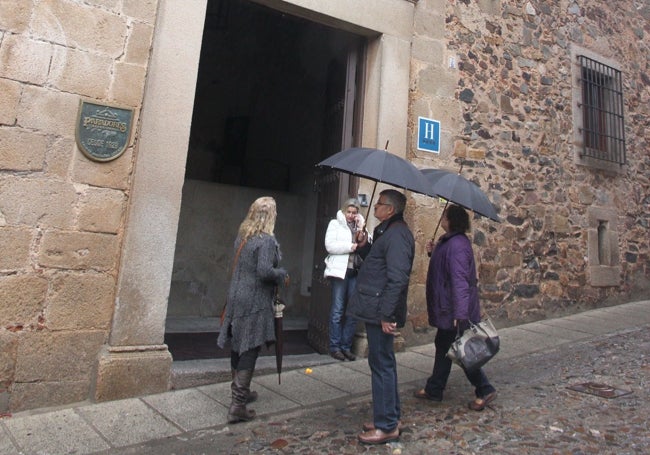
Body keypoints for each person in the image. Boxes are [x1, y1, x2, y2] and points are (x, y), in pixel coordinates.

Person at [347, 189, 415, 445]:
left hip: (380, 310)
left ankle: (386, 425)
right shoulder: (387, 231)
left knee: (382, 364)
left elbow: (397, 278)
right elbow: (378, 263)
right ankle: (390, 417)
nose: (375, 207)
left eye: (380, 204)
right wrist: (365, 246)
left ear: (391, 209)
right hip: (376, 307)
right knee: (383, 363)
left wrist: (387, 314)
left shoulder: (398, 235)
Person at [414, 204, 497, 411]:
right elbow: (445, 270)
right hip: (447, 307)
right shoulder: (448, 242)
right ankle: (435, 388)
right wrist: (434, 252)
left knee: (462, 350)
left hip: (454, 309)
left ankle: (484, 388)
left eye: (444, 215)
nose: (441, 219)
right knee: (444, 345)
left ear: (451, 220)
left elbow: (459, 281)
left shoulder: (458, 245)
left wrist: (460, 314)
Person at [217, 196, 290, 424]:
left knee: (238, 343)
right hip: (254, 300)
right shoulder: (266, 241)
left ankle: (241, 392)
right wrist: (282, 274)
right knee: (250, 347)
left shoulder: (243, 236)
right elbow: (265, 271)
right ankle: (238, 405)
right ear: (271, 216)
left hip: (236, 296)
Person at [323, 198, 365, 361]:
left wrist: (361, 231)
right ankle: (335, 347)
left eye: (354, 213)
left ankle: (346, 347)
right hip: (340, 272)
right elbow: (330, 246)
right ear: (344, 210)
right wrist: (350, 246)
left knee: (353, 311)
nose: (351, 215)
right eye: (349, 212)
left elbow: (366, 245)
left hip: (355, 271)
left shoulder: (360, 226)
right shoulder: (335, 224)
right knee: (338, 310)